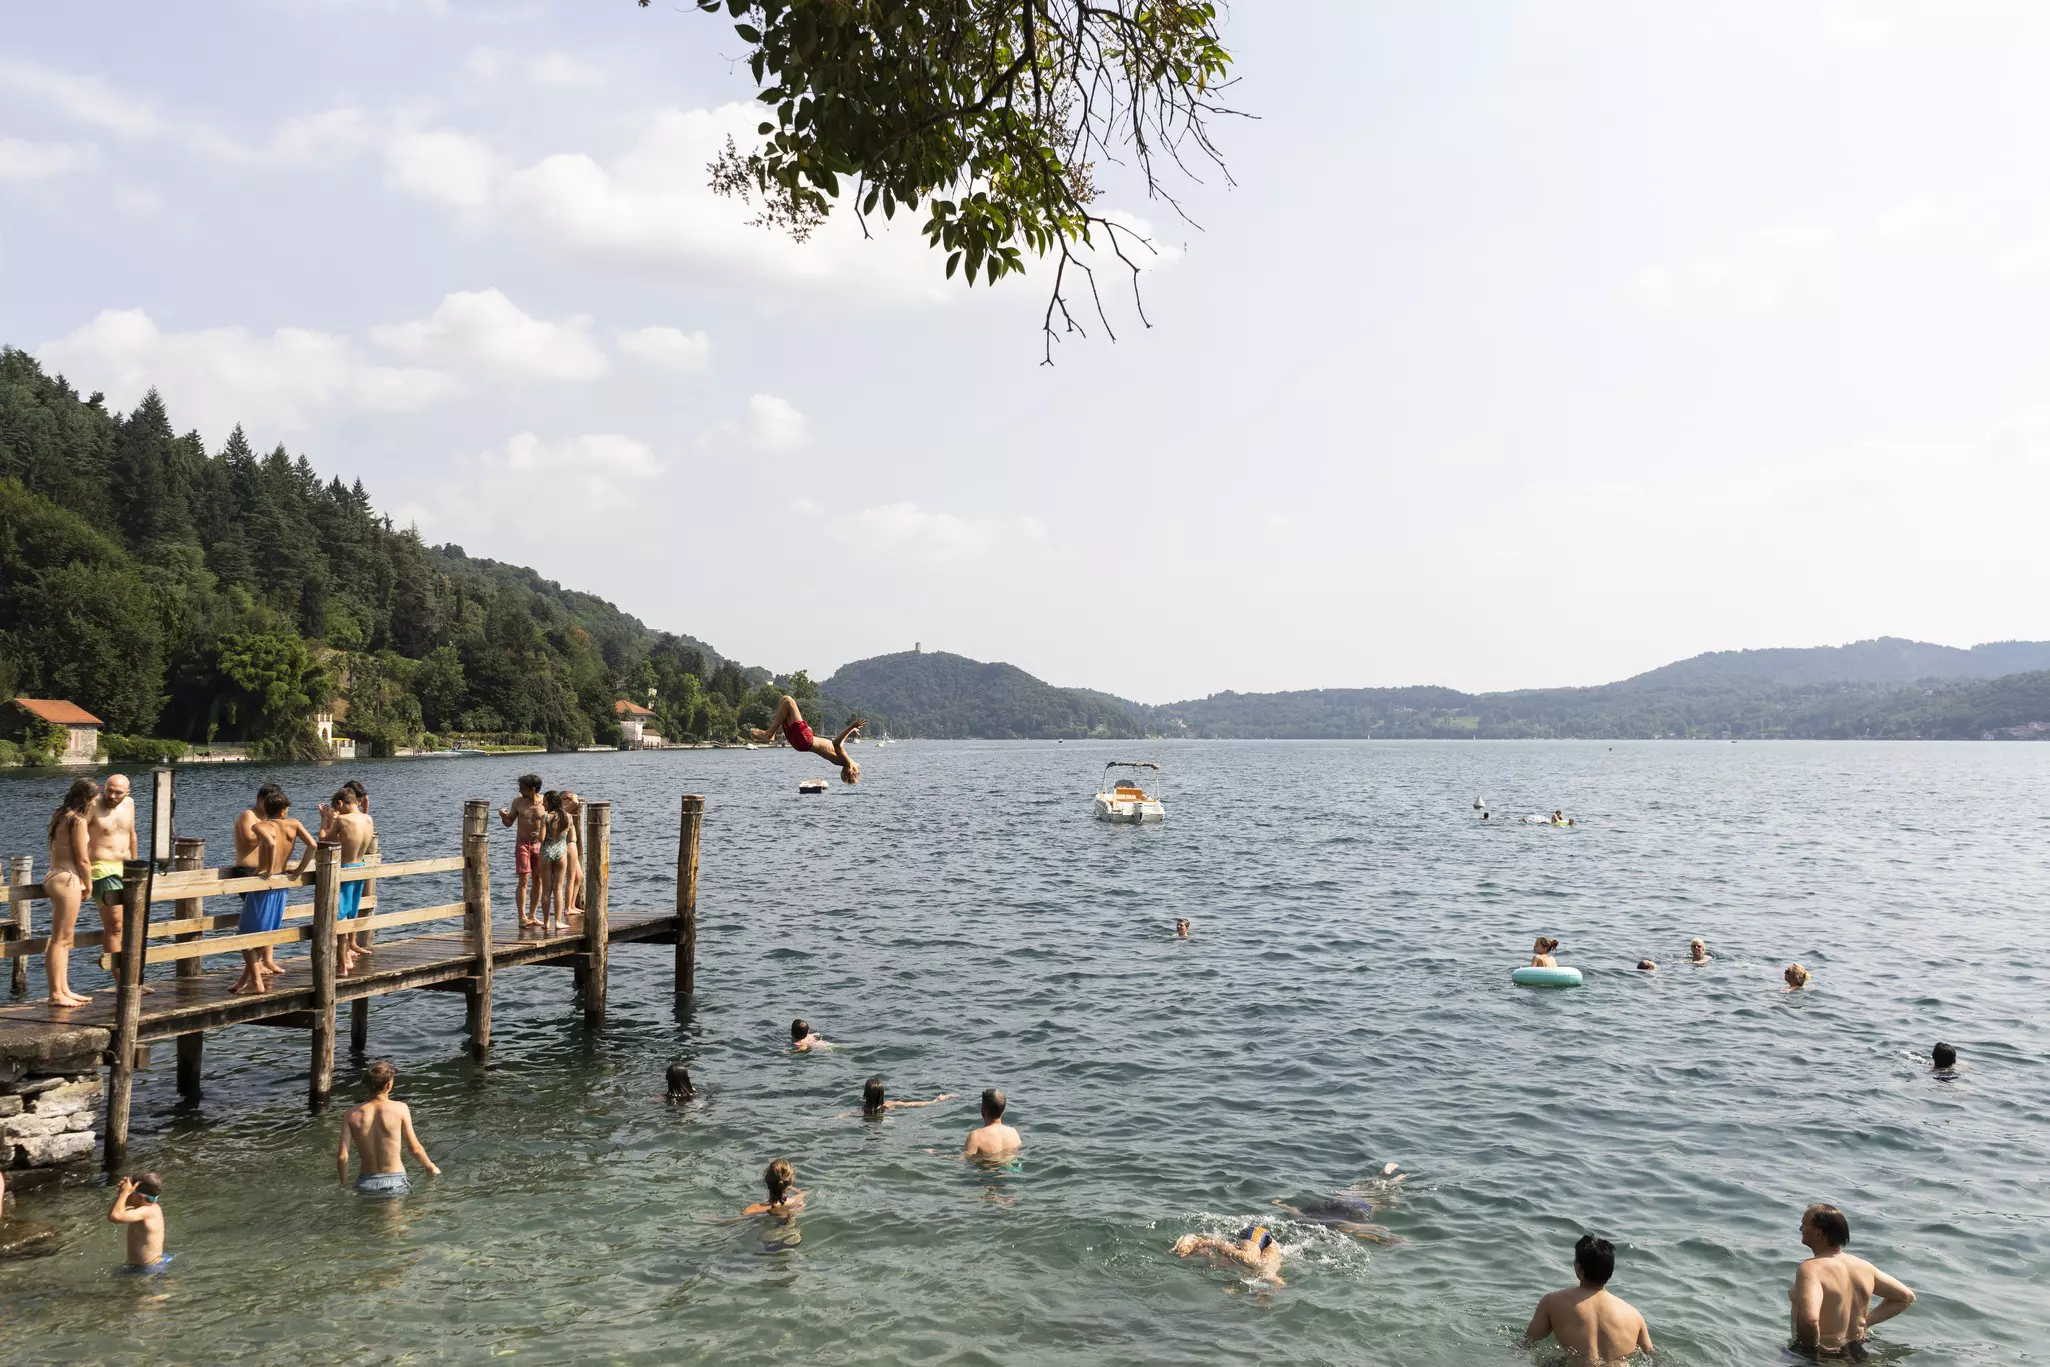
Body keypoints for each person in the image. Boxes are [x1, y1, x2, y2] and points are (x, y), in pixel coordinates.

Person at [1790, 1203, 1915, 1359]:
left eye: (1803, 1225)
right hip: (1858, 1352)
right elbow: (1906, 1297)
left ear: (1818, 1233)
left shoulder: (1810, 1268)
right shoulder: (1864, 1267)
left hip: (1825, 1355)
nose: (1801, 1229)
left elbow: (1810, 1320)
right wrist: (1865, 1323)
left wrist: (1810, 1355)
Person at [230, 791, 316, 994]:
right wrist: (299, 870)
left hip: (264, 885)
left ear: (265, 809)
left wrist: (268, 870)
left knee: (244, 936)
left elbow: (270, 843)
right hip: (282, 884)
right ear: (284, 810)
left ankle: (257, 982)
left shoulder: (260, 826)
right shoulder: (294, 824)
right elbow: (313, 845)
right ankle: (244, 980)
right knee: (266, 933)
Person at [1523, 1234, 1655, 1362]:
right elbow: (1653, 1359)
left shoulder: (1552, 1302)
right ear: (1610, 1271)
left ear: (1578, 1269)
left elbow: (1526, 1344)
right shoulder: (1634, 1316)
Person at [338, 1059, 440, 1196]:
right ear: (388, 1085)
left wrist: (343, 1184)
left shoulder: (351, 1114)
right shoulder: (400, 1109)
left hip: (365, 1183)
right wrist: (430, 1167)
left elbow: (343, 1156)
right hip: (395, 1182)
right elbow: (414, 1148)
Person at [41, 778, 96, 1007]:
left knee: (64, 939)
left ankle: (64, 989)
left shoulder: (60, 815)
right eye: (94, 798)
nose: (95, 803)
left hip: (54, 874)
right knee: (61, 939)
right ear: (87, 798)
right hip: (68, 879)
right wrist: (89, 884)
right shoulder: (78, 821)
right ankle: (56, 994)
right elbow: (82, 859)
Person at [320, 786, 376, 976]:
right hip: (360, 867)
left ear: (340, 803)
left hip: (345, 869)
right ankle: (346, 958)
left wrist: (326, 819)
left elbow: (324, 841)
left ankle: (342, 963)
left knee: (339, 915)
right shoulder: (368, 819)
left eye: (337, 807)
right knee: (351, 912)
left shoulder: (342, 820)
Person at [747, 696, 863, 784]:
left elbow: (836, 743)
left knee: (788, 701)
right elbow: (840, 744)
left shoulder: (846, 762)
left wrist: (851, 726)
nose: (859, 770)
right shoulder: (843, 759)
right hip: (801, 742)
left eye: (858, 773)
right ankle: (773, 731)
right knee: (784, 702)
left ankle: (768, 734)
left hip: (805, 739)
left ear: (851, 771)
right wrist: (851, 731)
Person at [86, 772, 137, 970]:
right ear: (103, 787)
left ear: (127, 792)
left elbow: (131, 833)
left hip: (127, 867)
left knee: (131, 924)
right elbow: (78, 836)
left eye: (118, 793)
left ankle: (130, 974)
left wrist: (136, 864)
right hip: (102, 869)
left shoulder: (129, 803)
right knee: (115, 925)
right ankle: (120, 979)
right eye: (109, 791)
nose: (112, 796)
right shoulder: (92, 806)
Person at [499, 775, 546, 929]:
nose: (520, 790)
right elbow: (509, 823)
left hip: (540, 845)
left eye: (522, 788)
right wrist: (503, 816)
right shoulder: (518, 802)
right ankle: (522, 917)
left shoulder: (545, 802)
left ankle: (533, 915)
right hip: (523, 844)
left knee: (538, 879)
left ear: (532, 789)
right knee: (524, 879)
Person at [1172, 1225, 1286, 1287]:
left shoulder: (1267, 1273)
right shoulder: (1257, 1265)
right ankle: (1198, 1241)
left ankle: (1204, 1251)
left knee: (1215, 1265)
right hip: (1256, 1234)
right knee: (1248, 1260)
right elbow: (1280, 1283)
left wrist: (1264, 1298)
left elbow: (1279, 1284)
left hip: (1268, 1244)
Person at [107, 1172, 169, 1273]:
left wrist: (124, 1194)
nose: (128, 1195)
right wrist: (122, 1194)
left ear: (140, 1197)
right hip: (150, 1264)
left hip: (148, 1269)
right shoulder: (150, 1208)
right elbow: (115, 1213)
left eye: (131, 1192)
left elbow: (115, 1216)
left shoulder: (147, 1212)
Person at [231, 782, 287, 875]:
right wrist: (272, 833)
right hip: (248, 870)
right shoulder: (249, 814)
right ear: (260, 800)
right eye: (270, 802)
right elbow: (250, 840)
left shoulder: (271, 818)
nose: (273, 805)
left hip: (268, 870)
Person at [538, 792, 571, 934]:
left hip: (546, 852)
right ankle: (558, 921)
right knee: (558, 889)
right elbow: (569, 836)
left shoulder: (545, 817)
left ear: (551, 802)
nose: (542, 803)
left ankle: (546, 922)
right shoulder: (568, 817)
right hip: (561, 852)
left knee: (546, 890)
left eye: (545, 801)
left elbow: (541, 838)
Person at [963, 1088, 1021, 1158]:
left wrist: (949, 1158)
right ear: (1003, 1110)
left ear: (983, 1109)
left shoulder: (976, 1136)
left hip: (988, 1164)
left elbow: (965, 1159)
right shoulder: (1013, 1132)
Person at [856, 1077, 953, 1117]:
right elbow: (913, 1104)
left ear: (866, 1093)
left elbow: (847, 1115)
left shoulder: (861, 1110)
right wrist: (935, 1101)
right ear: (882, 1093)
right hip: (887, 1120)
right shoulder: (889, 1104)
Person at [557, 789, 586, 911]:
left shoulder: (565, 811)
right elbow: (575, 802)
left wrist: (571, 797)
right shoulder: (561, 811)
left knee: (579, 877)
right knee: (571, 877)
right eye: (566, 799)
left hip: (571, 844)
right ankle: (568, 907)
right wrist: (572, 796)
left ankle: (572, 905)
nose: (569, 801)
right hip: (568, 845)